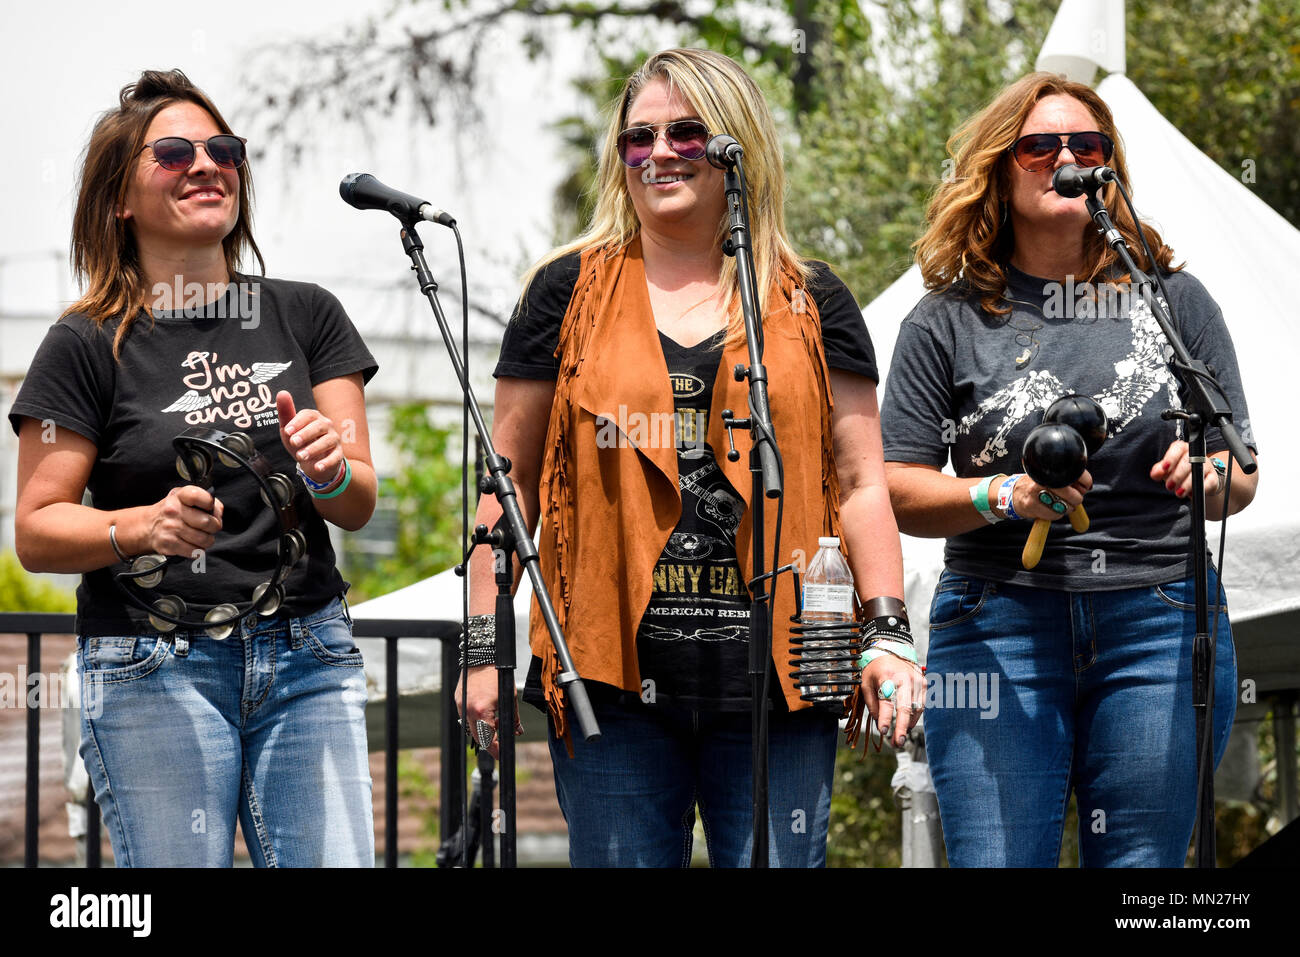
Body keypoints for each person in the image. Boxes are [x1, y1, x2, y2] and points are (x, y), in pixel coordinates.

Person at [456, 48, 917, 868]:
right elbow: (510, 484)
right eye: (638, 138)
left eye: (686, 132)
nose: (659, 152)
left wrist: (887, 634)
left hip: (781, 674)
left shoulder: (812, 299)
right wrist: (482, 649)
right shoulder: (564, 294)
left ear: (738, 146)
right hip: (611, 680)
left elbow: (860, 484)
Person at [880, 72, 1259, 867]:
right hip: (998, 621)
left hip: (1160, 617)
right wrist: (1003, 492)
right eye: (1039, 146)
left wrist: (1209, 473)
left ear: (1108, 166)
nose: (1065, 159)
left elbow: (1239, 467)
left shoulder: (1175, 301)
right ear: (999, 167)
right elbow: (894, 488)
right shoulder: (946, 318)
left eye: (1086, 146)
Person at [11, 69, 379, 867]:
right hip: (152, 665)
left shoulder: (307, 313)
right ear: (119, 197)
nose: (207, 165)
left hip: (307, 653)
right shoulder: (81, 344)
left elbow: (357, 500)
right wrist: (144, 526)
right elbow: (37, 530)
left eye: (224, 149)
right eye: (173, 153)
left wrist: (327, 471)